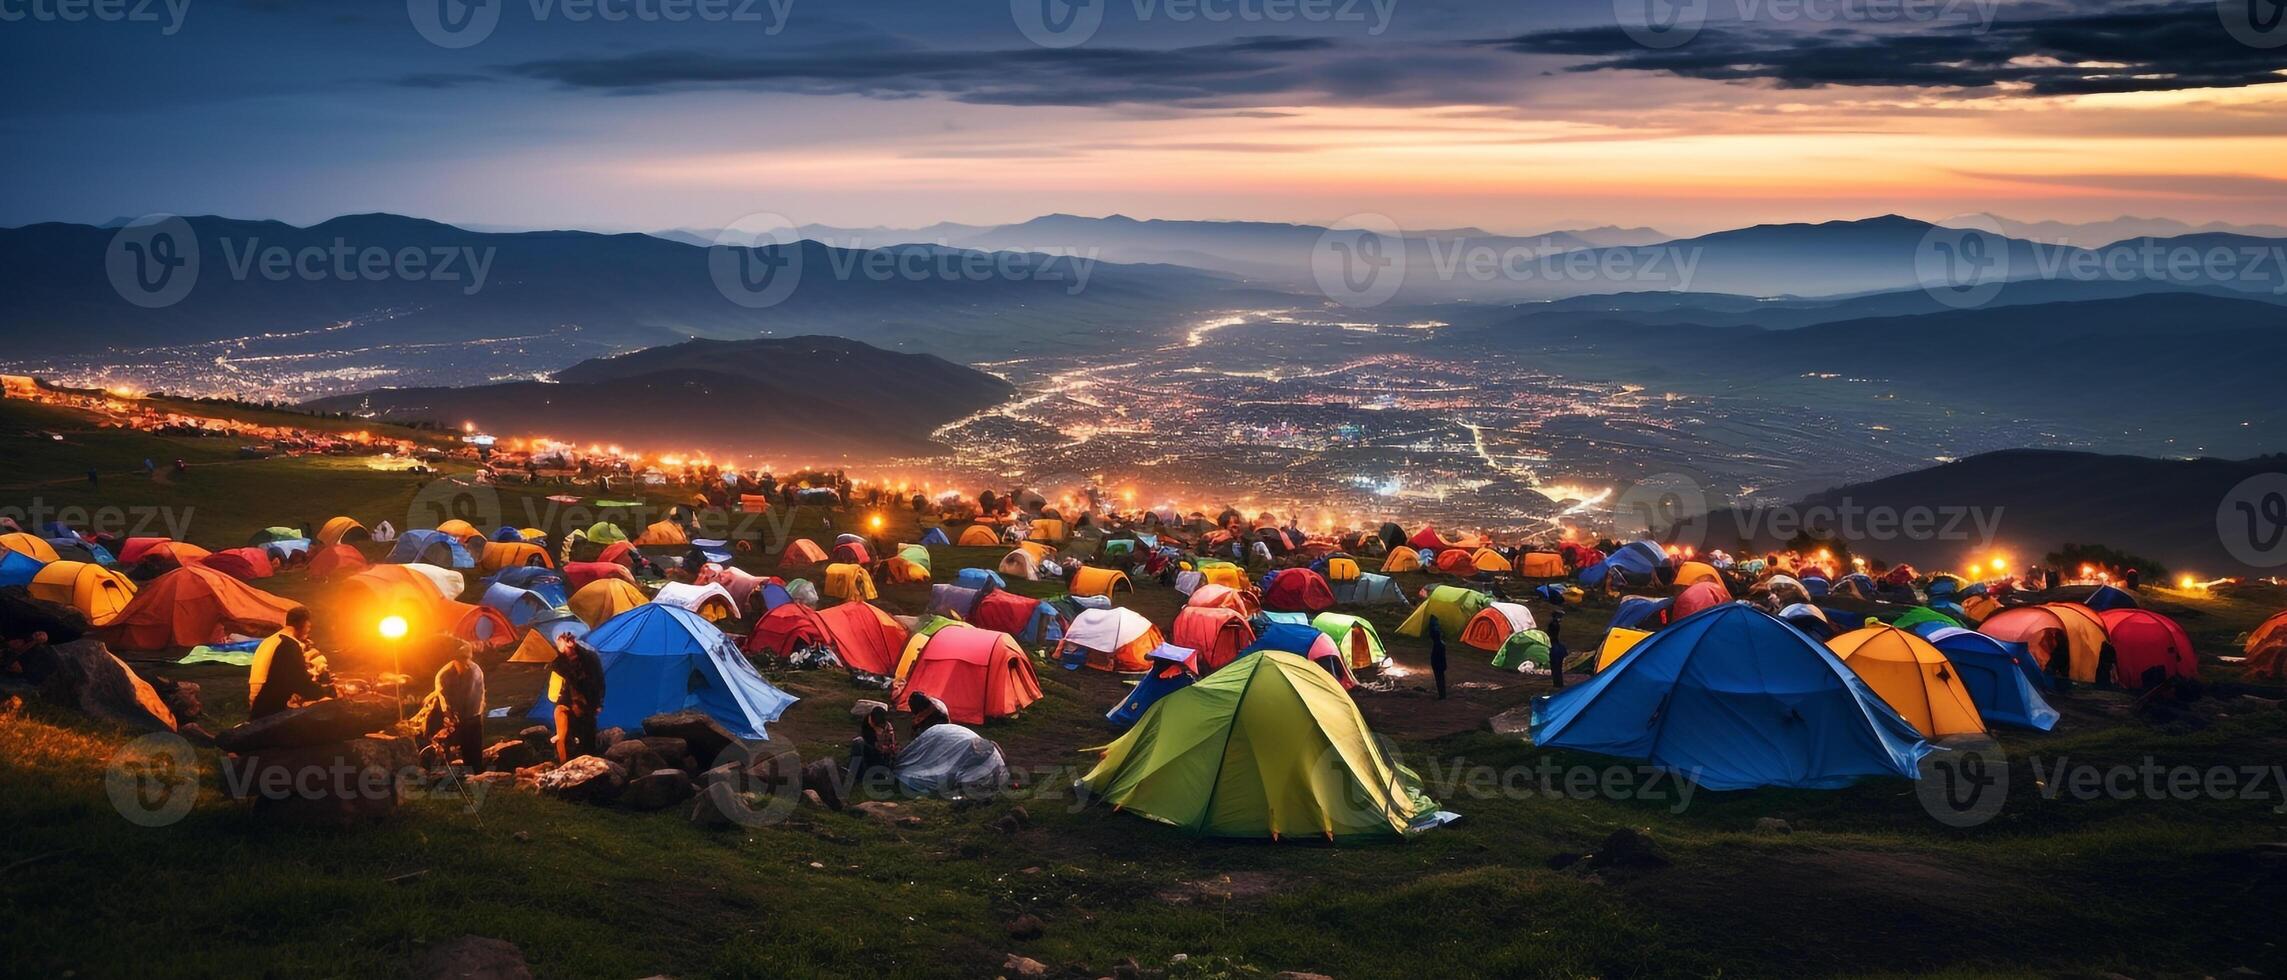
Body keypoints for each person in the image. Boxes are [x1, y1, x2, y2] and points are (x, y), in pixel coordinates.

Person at [248, 607, 334, 719]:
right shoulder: (289, 644)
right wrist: (322, 695)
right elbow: (299, 680)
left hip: (258, 700)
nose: (308, 631)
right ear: (303, 623)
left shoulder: (271, 640)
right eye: (308, 626)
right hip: (270, 705)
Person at [427, 640, 487, 771]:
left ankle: (476, 772)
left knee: (473, 745)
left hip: (473, 713)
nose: (465, 663)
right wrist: (450, 715)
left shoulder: (475, 672)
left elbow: (477, 696)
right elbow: (444, 698)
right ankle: (449, 769)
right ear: (455, 659)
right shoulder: (444, 675)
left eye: (467, 659)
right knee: (450, 743)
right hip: (453, 713)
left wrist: (469, 717)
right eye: (461, 659)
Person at [549, 630, 606, 763]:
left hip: (587, 705)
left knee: (586, 739)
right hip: (570, 707)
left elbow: (599, 681)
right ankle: (567, 763)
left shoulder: (589, 658)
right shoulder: (559, 664)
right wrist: (567, 705)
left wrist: (597, 703)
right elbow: (554, 693)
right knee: (569, 739)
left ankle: (587, 763)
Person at [847, 700, 899, 792]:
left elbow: (891, 744)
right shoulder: (868, 726)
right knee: (858, 743)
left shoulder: (887, 727)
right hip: (870, 754)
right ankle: (856, 775)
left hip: (881, 757)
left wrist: (891, 749)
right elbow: (872, 743)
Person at [1426, 616, 1448, 700]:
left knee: (1439, 679)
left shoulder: (1438, 644)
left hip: (1437, 664)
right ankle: (1442, 694)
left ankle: (1442, 695)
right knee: (1441, 679)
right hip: (1439, 664)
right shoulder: (1441, 644)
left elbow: (1437, 656)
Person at [1546, 609, 1568, 690]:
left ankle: (1557, 683)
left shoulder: (1553, 624)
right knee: (1557, 666)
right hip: (1555, 646)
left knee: (1555, 666)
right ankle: (1558, 683)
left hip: (1554, 646)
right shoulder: (1555, 625)